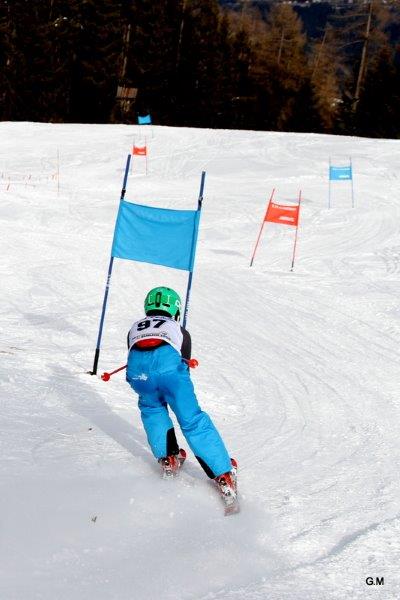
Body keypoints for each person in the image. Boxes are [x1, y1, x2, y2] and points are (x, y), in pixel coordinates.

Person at [126, 286, 237, 498]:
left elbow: (134, 355)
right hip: (171, 374)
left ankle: (168, 458)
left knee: (152, 409)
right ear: (175, 309)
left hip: (139, 375)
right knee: (191, 419)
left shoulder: (134, 327)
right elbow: (183, 365)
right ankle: (223, 473)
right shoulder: (178, 329)